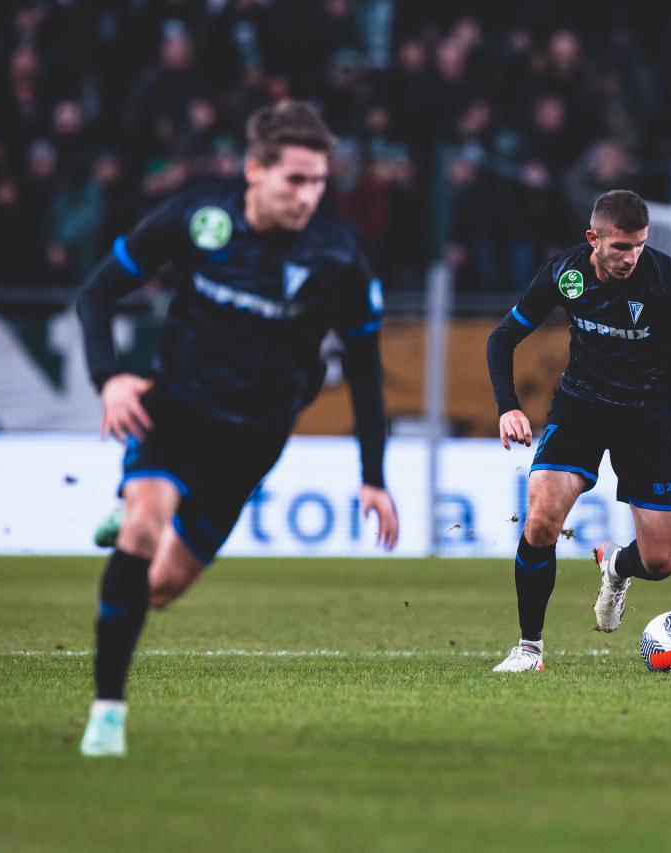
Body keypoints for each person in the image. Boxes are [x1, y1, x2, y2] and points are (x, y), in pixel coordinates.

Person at [74, 101, 399, 756]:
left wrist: (373, 477)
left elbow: (366, 374)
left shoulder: (339, 257)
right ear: (254, 169)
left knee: (160, 589)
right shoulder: (200, 217)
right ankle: (107, 714)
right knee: (143, 526)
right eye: (295, 180)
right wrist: (109, 378)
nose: (308, 196)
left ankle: (135, 519)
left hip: (253, 439)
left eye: (319, 182)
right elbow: (96, 293)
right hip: (175, 411)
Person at [486, 189, 671, 672]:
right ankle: (529, 649)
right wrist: (507, 407)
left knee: (661, 563)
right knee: (540, 521)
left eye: (639, 245)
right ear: (593, 239)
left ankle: (617, 564)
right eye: (621, 247)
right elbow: (503, 338)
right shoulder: (566, 274)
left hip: (651, 420)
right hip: (582, 409)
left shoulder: (669, 280)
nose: (631, 257)